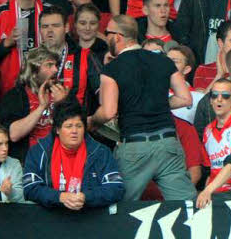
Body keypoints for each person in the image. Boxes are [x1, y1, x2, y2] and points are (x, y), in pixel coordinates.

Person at [91, 15, 197, 201]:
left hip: (135, 146)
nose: (106, 37)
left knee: (120, 207)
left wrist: (92, 120)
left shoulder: (112, 69)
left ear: (118, 37)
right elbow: (185, 98)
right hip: (168, 143)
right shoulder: (164, 61)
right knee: (186, 206)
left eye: (108, 33)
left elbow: (108, 111)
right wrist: (157, 103)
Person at [23, 99, 125, 209]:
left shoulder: (101, 152)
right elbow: (30, 188)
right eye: (68, 126)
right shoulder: (39, 151)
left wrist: (86, 197)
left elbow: (116, 188)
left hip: (90, 217)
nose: (74, 131)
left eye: (79, 126)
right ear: (57, 129)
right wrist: (59, 197)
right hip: (50, 217)